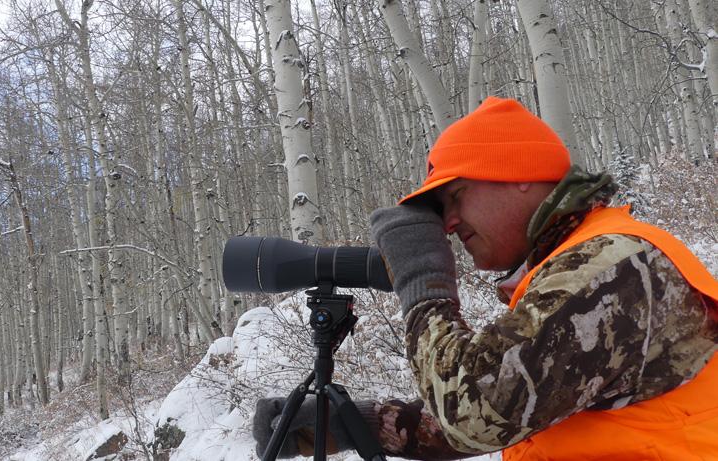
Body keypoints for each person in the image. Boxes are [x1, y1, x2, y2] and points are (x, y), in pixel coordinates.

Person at [252, 97, 718, 460]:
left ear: (519, 173)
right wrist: (355, 424)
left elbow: (474, 411)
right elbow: (503, 414)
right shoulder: (579, 268)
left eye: (455, 197)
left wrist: (423, 285)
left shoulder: (612, 266)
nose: (449, 225)